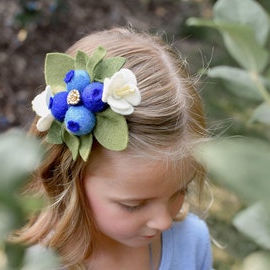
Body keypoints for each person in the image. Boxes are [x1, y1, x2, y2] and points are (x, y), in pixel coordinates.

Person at [13, 27, 213, 270]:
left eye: (180, 192)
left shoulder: (192, 242)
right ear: (70, 178)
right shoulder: (39, 264)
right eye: (134, 205)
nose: (163, 222)